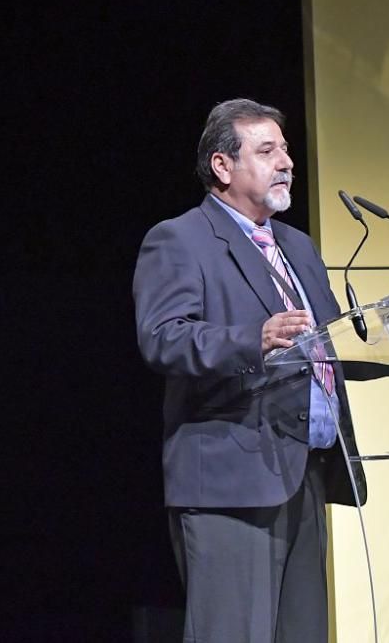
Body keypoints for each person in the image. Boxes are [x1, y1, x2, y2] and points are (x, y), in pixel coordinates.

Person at [132, 99, 366, 643]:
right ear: (222, 166)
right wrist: (252, 339)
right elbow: (162, 338)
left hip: (305, 470)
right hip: (230, 480)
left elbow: (327, 343)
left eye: (285, 149)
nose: (286, 161)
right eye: (267, 151)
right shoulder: (181, 238)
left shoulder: (298, 246)